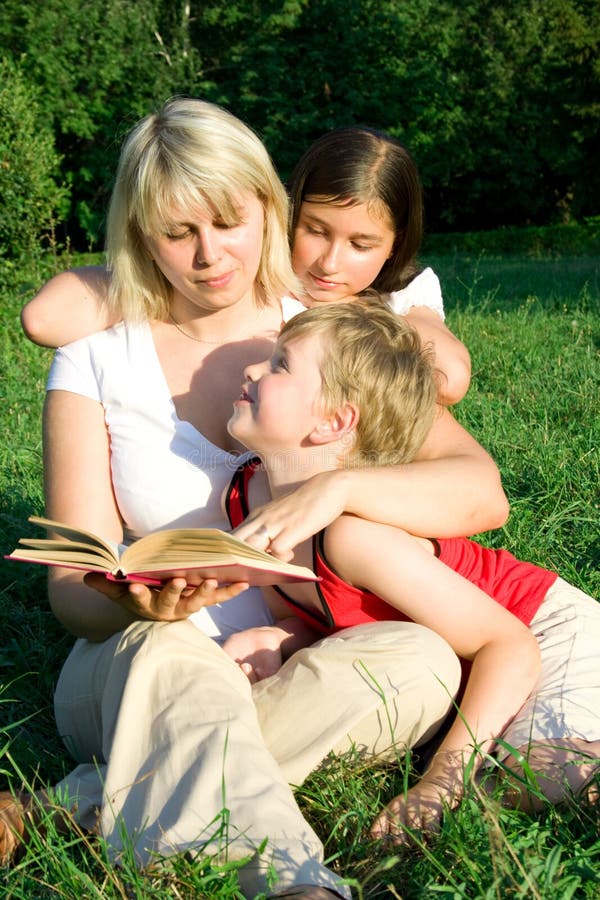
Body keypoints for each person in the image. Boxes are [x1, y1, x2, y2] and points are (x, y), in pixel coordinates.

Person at [0, 97, 509, 896]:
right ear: (141, 236)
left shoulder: (320, 335)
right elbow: (73, 590)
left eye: (229, 221)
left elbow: (477, 489)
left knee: (421, 657)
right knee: (176, 659)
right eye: (178, 232)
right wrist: (141, 605)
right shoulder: (94, 360)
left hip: (301, 657)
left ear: (267, 208)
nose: (210, 256)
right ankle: (290, 881)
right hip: (133, 661)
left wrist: (340, 486)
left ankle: (85, 801)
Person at [223, 299, 600, 841]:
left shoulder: (354, 536)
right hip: (477, 656)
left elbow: (508, 646)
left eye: (280, 364)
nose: (253, 369)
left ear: (335, 421)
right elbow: (322, 613)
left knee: (529, 779)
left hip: (542, 632)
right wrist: (278, 637)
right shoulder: (246, 498)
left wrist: (440, 782)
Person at [22, 128, 468, 406]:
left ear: (394, 246)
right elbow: (43, 320)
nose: (330, 263)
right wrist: (162, 278)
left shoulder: (397, 300)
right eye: (314, 230)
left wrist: (363, 318)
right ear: (287, 213)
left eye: (361, 244)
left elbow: (448, 381)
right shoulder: (243, 271)